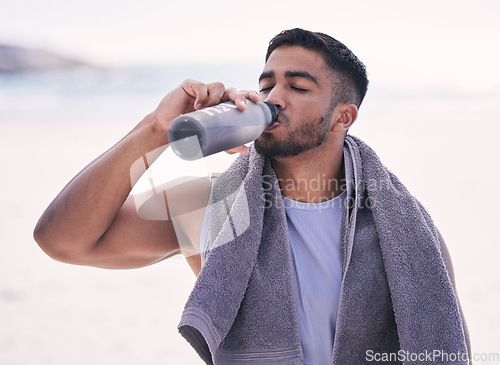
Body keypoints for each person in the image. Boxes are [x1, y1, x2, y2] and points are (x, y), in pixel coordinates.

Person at [34, 29, 471, 364]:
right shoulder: (211, 205)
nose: (274, 99)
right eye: (266, 86)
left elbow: (441, 340)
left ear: (343, 116)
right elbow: (63, 239)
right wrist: (156, 129)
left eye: (297, 87)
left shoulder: (405, 230)